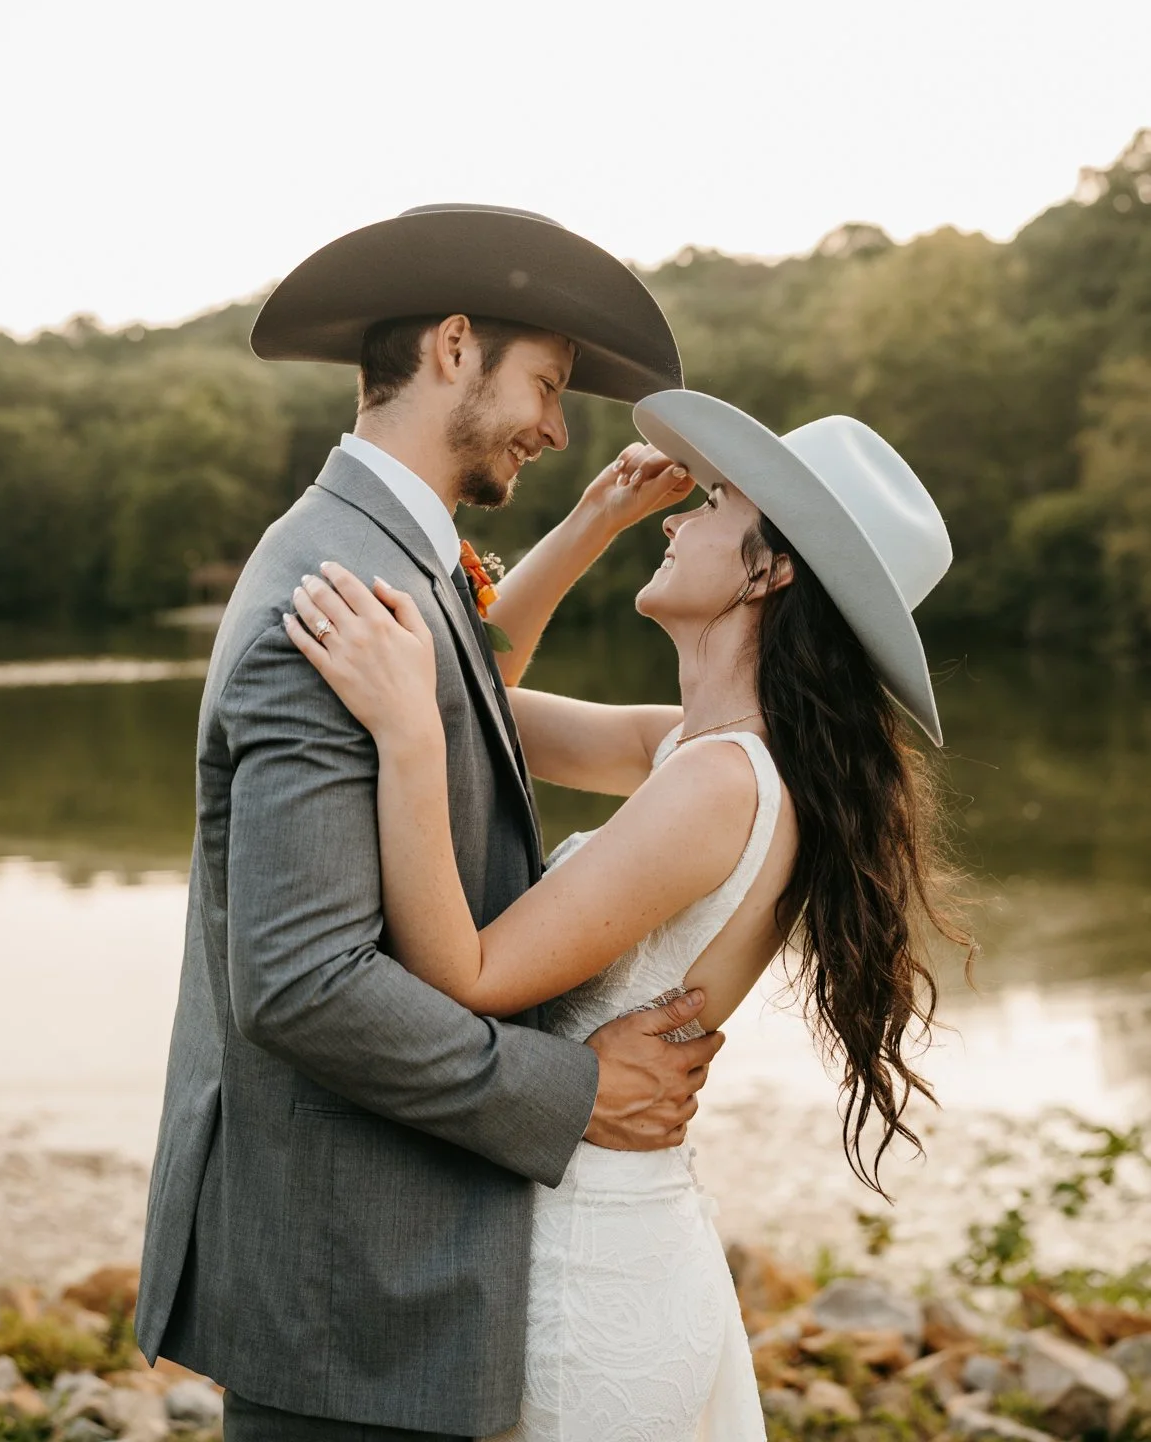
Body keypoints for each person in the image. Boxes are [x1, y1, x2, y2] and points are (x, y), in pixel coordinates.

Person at [136, 204, 721, 1442]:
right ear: (455, 345)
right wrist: (571, 1090)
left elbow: (480, 701)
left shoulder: (385, 560)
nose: (559, 427)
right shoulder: (336, 595)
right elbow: (301, 981)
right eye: (549, 384)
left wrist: (590, 525)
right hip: (348, 1286)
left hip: (383, 1276)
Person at [287, 387, 972, 1440]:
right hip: (604, 1225)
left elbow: (465, 972)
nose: (675, 516)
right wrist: (585, 524)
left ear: (770, 567)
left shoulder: (718, 785)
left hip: (590, 1270)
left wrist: (405, 741)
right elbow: (480, 700)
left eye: (714, 503)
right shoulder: (699, 750)